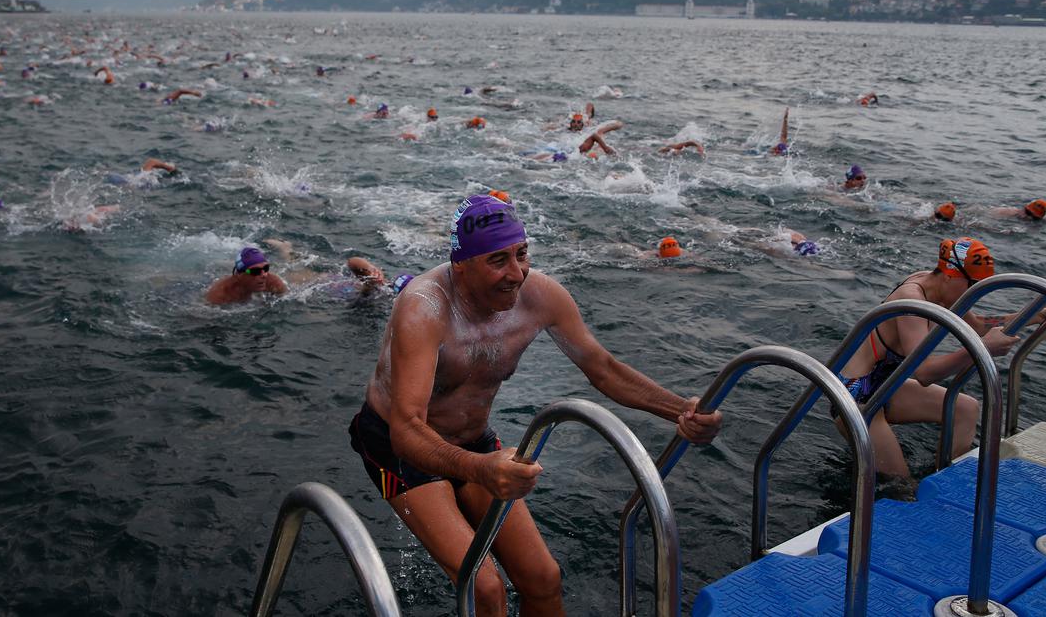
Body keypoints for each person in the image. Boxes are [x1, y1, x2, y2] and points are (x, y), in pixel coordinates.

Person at [348, 194, 722, 616]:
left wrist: (680, 411)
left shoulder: (540, 296)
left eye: (521, 254)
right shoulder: (424, 308)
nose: (516, 273)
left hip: (473, 442)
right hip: (398, 449)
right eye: (497, 260)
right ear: (460, 265)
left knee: (543, 580)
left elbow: (603, 369)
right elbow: (407, 428)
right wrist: (482, 469)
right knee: (485, 587)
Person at [836, 237, 1046, 478]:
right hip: (857, 397)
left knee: (966, 408)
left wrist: (1032, 316)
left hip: (885, 385)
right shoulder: (913, 301)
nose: (975, 293)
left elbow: (977, 325)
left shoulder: (940, 286)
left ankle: (947, 480)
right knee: (902, 486)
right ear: (950, 276)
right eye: (973, 284)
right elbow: (924, 373)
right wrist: (982, 348)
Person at [205, 247, 288, 305]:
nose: (264, 275)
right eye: (255, 271)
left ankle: (285, 249)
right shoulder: (221, 294)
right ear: (239, 274)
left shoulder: (273, 282)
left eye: (266, 268)